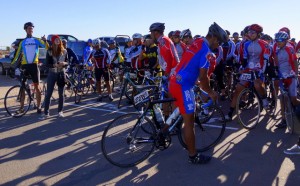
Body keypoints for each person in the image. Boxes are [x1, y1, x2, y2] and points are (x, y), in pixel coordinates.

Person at [169, 22, 227, 164]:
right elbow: (203, 77)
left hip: (175, 79)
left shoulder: (197, 41)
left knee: (178, 111)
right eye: (218, 41)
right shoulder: (208, 53)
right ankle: (193, 156)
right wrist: (211, 92)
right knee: (189, 122)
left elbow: (190, 63)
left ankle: (162, 132)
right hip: (183, 85)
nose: (218, 45)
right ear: (213, 37)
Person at [225, 24, 271, 121]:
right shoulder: (245, 44)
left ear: (258, 34)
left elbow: (266, 60)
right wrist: (242, 67)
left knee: (258, 85)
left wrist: (262, 72)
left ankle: (264, 98)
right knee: (237, 90)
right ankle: (229, 113)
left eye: (253, 32)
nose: (250, 34)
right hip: (248, 69)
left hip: (259, 68)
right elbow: (244, 59)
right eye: (249, 32)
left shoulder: (264, 44)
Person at [11, 22, 48, 114]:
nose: (31, 30)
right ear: (25, 30)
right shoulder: (22, 42)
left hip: (34, 66)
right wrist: (12, 65)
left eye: (32, 28)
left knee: (37, 87)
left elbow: (46, 47)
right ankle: (22, 107)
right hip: (25, 66)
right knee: (22, 87)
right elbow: (17, 55)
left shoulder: (37, 40)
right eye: (29, 28)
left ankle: (39, 106)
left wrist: (45, 40)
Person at [149, 22, 179, 119]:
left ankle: (174, 122)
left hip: (172, 71)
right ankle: (167, 119)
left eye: (151, 32)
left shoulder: (163, 40)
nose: (150, 35)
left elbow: (169, 58)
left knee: (172, 98)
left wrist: (167, 74)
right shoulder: (161, 41)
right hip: (169, 70)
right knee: (166, 97)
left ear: (156, 32)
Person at [272, 31, 300, 128]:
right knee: (282, 98)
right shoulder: (276, 49)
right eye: (276, 40)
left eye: (280, 40)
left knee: (293, 99)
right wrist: (275, 70)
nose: (278, 42)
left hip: (291, 75)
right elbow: (275, 61)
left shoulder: (290, 49)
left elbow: (295, 61)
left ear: (285, 40)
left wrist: (295, 74)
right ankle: (283, 120)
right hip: (281, 76)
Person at [42, 35, 68, 119]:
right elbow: (47, 64)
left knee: (61, 94)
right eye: (55, 39)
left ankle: (60, 111)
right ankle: (46, 112)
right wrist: (54, 65)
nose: (57, 40)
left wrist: (64, 64)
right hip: (52, 74)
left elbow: (67, 62)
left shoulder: (64, 51)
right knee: (48, 93)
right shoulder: (49, 51)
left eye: (58, 39)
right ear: (53, 41)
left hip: (61, 73)